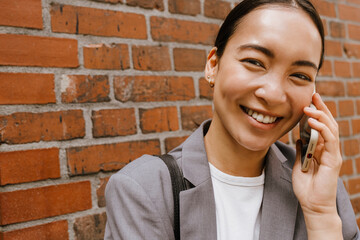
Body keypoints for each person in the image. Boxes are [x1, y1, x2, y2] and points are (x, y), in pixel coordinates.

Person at [104, 0, 360, 239]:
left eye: (300, 76)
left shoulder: (322, 188)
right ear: (213, 65)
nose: (272, 94)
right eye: (254, 62)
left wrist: (320, 214)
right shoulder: (144, 189)